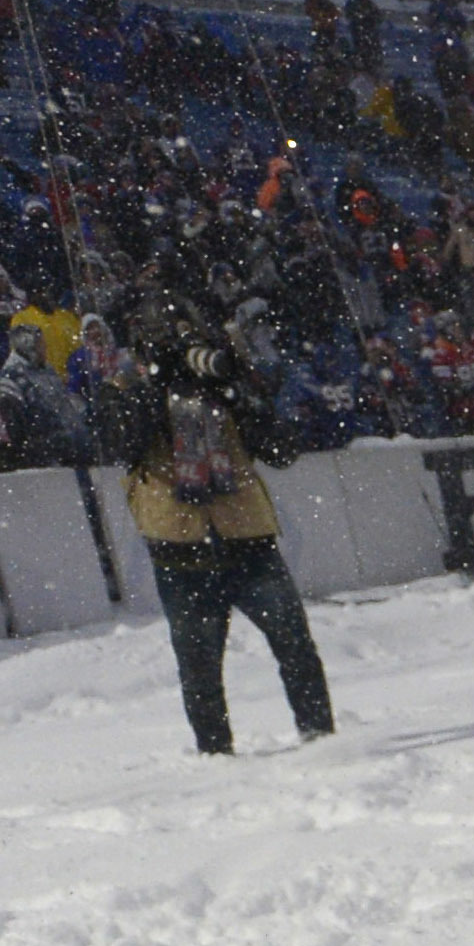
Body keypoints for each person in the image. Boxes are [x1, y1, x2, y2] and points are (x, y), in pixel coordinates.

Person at [91, 297, 336, 757]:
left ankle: (321, 741)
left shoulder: (221, 379)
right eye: (166, 336)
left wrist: (240, 394)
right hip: (179, 546)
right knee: (200, 668)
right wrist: (154, 386)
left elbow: (283, 450)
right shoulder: (121, 385)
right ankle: (216, 757)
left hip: (248, 539)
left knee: (296, 647)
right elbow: (123, 442)